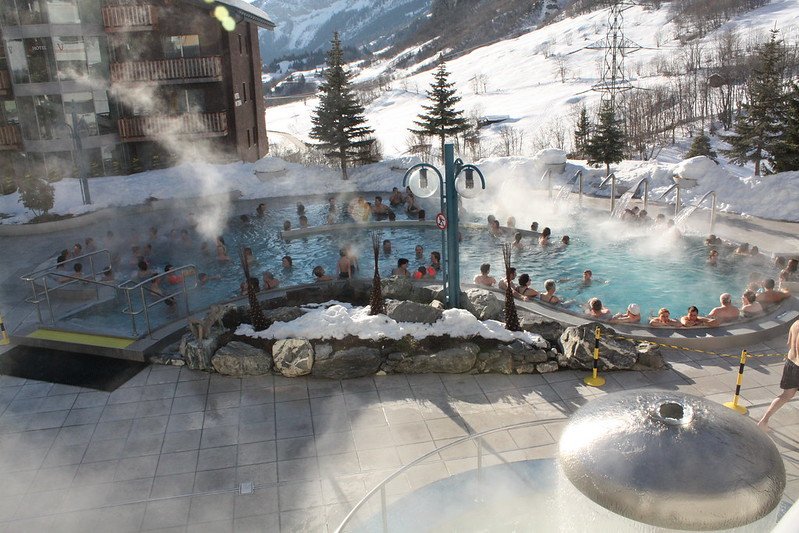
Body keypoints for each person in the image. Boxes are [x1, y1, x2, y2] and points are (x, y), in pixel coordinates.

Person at [757, 319, 799, 431]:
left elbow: (789, 344)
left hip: (791, 363)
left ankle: (764, 421)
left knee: (785, 396)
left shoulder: (795, 324)